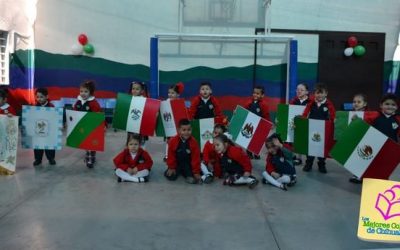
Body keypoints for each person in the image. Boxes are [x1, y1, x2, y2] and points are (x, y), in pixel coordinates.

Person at [302, 83, 335, 173]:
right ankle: (309, 163)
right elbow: (305, 114)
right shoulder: (311, 104)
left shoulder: (329, 105)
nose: (319, 95)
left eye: (321, 93)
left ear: (326, 94)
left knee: (322, 148)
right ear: (314, 94)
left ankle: (321, 164)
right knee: (310, 147)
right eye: (317, 93)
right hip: (312, 129)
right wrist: (302, 120)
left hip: (324, 131)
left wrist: (333, 121)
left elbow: (333, 117)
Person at [73, 80, 101, 168]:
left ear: (90, 92)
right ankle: (90, 156)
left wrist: (102, 125)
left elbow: (98, 114)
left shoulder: (93, 103)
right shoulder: (78, 101)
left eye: (86, 91)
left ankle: (90, 160)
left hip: (91, 127)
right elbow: (74, 112)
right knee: (86, 143)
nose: (83, 93)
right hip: (82, 127)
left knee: (91, 144)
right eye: (81, 91)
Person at [164, 119, 201, 184]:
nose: (186, 132)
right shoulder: (173, 141)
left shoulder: (194, 142)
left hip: (188, 164)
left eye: (189, 130)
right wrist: (171, 167)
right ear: (179, 130)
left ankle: (189, 176)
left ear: (191, 129)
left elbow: (196, 158)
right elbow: (171, 155)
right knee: (171, 176)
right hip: (176, 164)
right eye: (184, 130)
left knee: (192, 176)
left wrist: (196, 172)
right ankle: (176, 171)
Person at [244, 85, 270, 159]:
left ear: (262, 95)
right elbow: (244, 111)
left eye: (257, 93)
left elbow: (266, 115)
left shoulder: (264, 105)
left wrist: (268, 125)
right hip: (250, 124)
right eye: (254, 93)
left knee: (257, 139)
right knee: (248, 138)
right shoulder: (249, 103)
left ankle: (256, 152)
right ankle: (249, 152)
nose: (255, 94)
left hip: (259, 125)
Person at [33, 88, 56, 166]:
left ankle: (51, 158)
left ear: (47, 96)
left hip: (49, 130)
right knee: (38, 145)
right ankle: (38, 159)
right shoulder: (35, 107)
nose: (39, 99)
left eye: (41, 97)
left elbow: (55, 117)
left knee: (49, 144)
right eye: (37, 97)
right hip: (38, 130)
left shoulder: (51, 106)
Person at [348, 93, 368, 184]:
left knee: (364, 157)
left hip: (365, 139)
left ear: (365, 104)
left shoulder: (369, 114)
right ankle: (356, 175)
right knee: (355, 157)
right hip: (354, 139)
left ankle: (364, 175)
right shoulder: (350, 114)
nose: (356, 103)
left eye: (359, 102)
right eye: (354, 102)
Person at [289, 83, 310, 165]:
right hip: (295, 124)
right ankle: (297, 157)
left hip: (306, 124)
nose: (299, 91)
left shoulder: (310, 102)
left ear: (307, 92)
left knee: (304, 141)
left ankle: (308, 161)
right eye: (297, 90)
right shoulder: (293, 101)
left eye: (302, 90)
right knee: (295, 140)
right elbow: (289, 111)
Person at [163, 82, 185, 162]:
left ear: (178, 94)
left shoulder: (179, 103)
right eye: (169, 92)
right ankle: (167, 155)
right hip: (169, 125)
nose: (170, 94)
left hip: (177, 126)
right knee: (168, 141)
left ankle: (176, 155)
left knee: (178, 141)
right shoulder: (166, 102)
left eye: (173, 93)